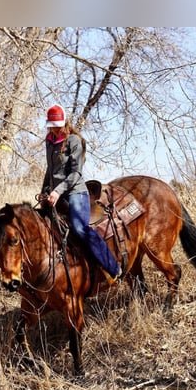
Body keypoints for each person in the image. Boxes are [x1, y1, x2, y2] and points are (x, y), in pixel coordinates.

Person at [40, 104, 122, 284]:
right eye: (51, 125)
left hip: (75, 192)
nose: (54, 128)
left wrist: (57, 191)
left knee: (79, 228)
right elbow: (50, 169)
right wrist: (43, 191)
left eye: (57, 125)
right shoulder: (49, 140)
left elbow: (76, 173)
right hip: (55, 193)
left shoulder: (74, 141)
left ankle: (113, 268)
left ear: (64, 123)